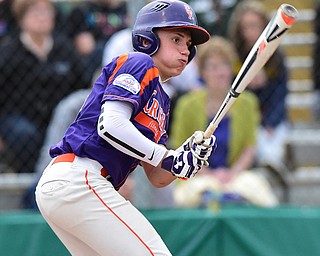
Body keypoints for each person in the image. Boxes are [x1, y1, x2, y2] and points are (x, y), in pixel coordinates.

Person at [35, 1, 216, 255]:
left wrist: (188, 156)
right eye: (176, 39)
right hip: (81, 178)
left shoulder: (162, 101)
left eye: (188, 44)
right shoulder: (139, 62)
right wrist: (167, 157)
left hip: (72, 187)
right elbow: (111, 125)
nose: (185, 50)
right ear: (147, 39)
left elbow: (157, 175)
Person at [170, 36, 278, 207]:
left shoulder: (248, 102)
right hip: (198, 176)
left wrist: (231, 175)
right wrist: (209, 175)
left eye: (225, 65)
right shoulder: (186, 105)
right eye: (213, 67)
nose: (220, 72)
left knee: (261, 194)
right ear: (202, 72)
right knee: (196, 193)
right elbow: (179, 147)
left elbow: (250, 147)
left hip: (235, 175)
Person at [0, 0, 89, 173]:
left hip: (58, 116)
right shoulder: (8, 52)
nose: (42, 18)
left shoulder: (64, 49)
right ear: (21, 18)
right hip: (19, 118)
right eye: (36, 12)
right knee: (24, 135)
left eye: (46, 12)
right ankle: (35, 178)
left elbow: (82, 85)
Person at [228, 0, 290, 167]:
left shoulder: (276, 57)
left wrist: (271, 122)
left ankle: (272, 167)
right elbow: (230, 91)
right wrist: (248, 84)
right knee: (255, 139)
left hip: (270, 115)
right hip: (244, 115)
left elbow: (281, 94)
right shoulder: (235, 56)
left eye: (255, 25)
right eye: (245, 27)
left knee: (271, 140)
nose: (250, 32)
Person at [64, 0, 130, 83]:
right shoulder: (82, 11)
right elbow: (83, 47)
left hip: (125, 63)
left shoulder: (128, 9)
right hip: (96, 70)